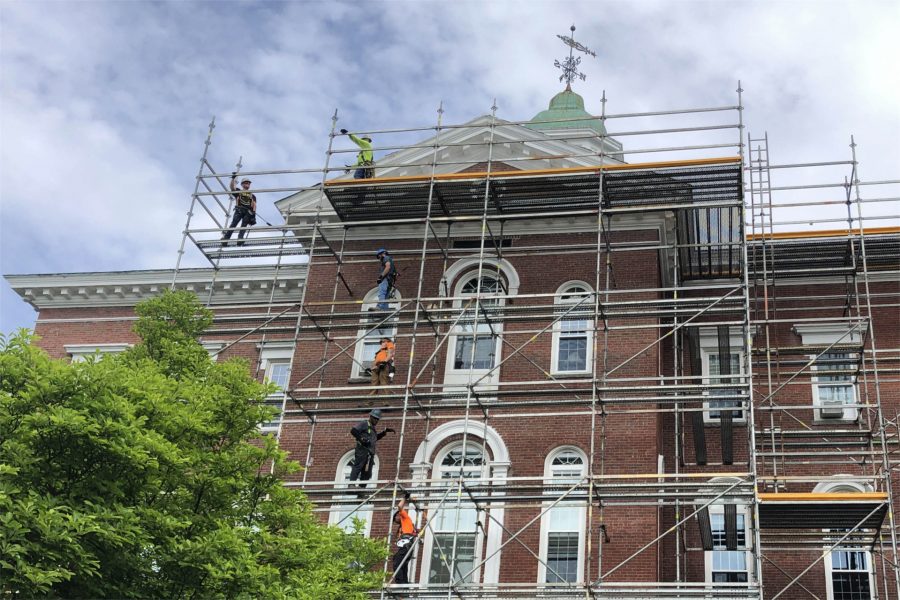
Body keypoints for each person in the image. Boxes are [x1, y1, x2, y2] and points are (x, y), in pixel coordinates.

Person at [348, 409, 394, 491]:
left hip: (370, 453)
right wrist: (362, 439)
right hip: (362, 450)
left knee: (367, 472)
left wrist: (384, 432)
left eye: (377, 419)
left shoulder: (372, 429)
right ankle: (351, 484)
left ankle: (361, 489)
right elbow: (353, 430)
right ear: (371, 417)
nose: (376, 420)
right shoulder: (365, 423)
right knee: (358, 466)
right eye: (375, 418)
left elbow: (375, 438)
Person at [392, 492, 421, 585]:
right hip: (407, 546)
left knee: (397, 563)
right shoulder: (404, 526)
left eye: (396, 517)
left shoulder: (405, 518)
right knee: (402, 565)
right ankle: (404, 584)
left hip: (406, 545)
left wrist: (405, 498)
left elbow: (400, 506)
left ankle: (400, 583)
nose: (395, 520)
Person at [222, 173, 257, 246]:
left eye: (248, 183)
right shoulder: (239, 191)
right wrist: (233, 179)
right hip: (239, 210)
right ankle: (226, 239)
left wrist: (253, 215)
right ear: (242, 184)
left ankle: (240, 239)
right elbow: (232, 188)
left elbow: (254, 205)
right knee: (233, 224)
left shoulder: (252, 195)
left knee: (243, 226)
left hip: (248, 212)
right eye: (246, 183)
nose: (247, 184)